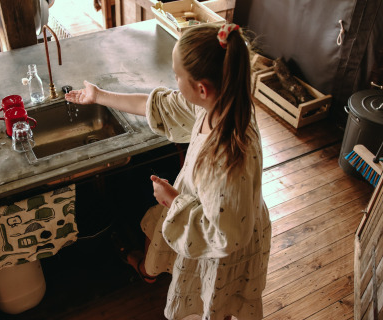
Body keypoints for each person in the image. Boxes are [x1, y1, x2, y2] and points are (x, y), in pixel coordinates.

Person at [65, 22, 271, 320]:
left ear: (202, 88)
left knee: (218, 301)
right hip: (225, 216)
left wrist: (174, 201)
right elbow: (159, 105)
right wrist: (98, 96)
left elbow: (226, 236)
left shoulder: (226, 157)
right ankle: (150, 269)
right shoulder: (219, 105)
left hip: (225, 246)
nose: (174, 83)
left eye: (177, 77)